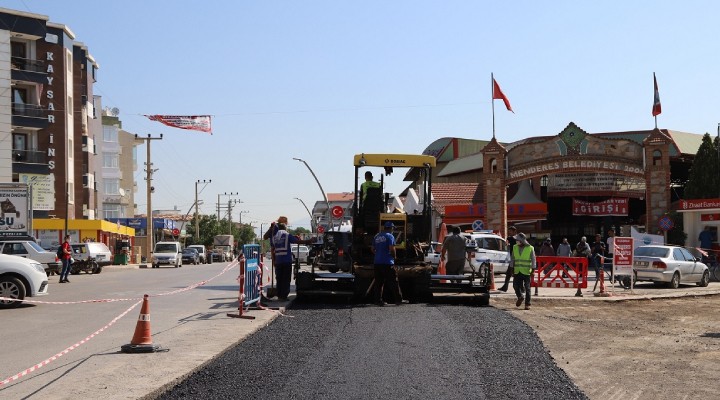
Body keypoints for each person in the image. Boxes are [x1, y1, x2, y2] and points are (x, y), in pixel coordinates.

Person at [271, 222, 314, 301]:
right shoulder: (287, 235)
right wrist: (309, 241)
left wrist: (274, 261)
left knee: (279, 279)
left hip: (278, 261)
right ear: (285, 228)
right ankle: (284, 296)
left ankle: (279, 295)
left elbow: (273, 249)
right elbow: (297, 241)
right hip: (286, 261)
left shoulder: (274, 237)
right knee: (286, 279)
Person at [371, 221, 402, 306]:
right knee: (394, 282)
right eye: (392, 228)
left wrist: (378, 254)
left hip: (377, 263)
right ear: (391, 228)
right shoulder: (390, 236)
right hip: (388, 263)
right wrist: (394, 257)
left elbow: (372, 249)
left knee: (379, 283)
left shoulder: (377, 236)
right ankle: (398, 300)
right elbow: (392, 249)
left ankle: (378, 300)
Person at [510, 232, 536, 310]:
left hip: (526, 271)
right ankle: (520, 297)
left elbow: (533, 259)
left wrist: (533, 270)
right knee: (515, 286)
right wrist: (511, 269)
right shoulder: (514, 247)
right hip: (517, 271)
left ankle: (527, 304)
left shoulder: (530, 248)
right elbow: (512, 259)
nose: (516, 241)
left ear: (522, 240)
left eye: (517, 240)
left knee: (527, 288)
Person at [498, 226, 517, 292]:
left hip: (515, 259)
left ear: (514, 231)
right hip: (513, 259)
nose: (509, 233)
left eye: (511, 231)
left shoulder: (513, 238)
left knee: (515, 274)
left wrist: (506, 238)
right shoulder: (516, 239)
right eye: (509, 231)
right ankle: (505, 287)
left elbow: (508, 240)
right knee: (509, 274)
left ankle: (520, 288)